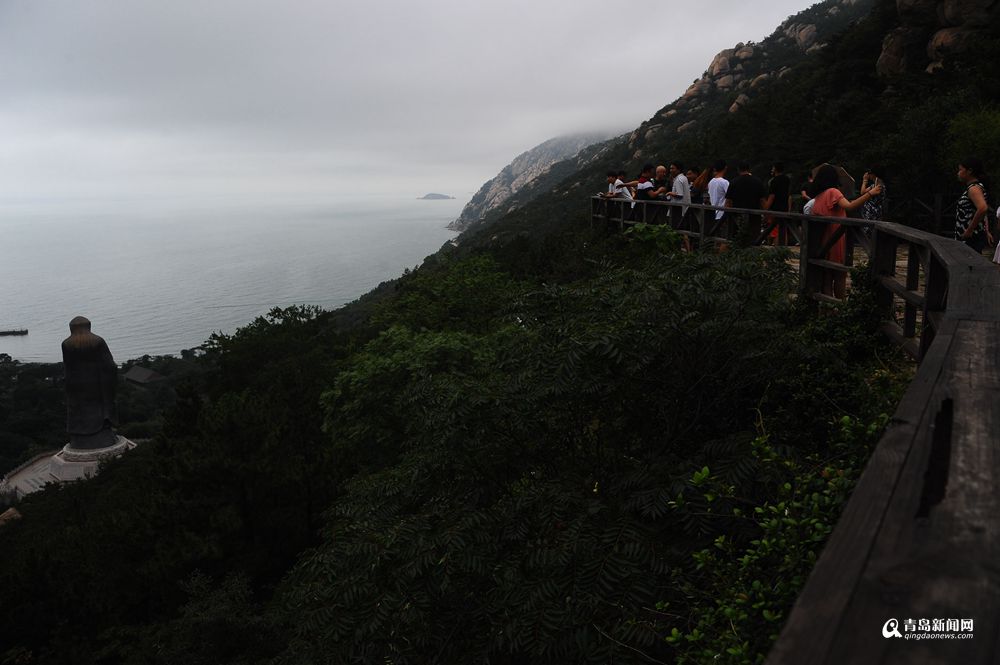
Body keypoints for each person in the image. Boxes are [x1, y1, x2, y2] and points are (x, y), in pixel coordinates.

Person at [811, 164, 882, 298]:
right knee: (839, 275)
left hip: (823, 241)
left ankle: (828, 309)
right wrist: (869, 194)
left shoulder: (818, 197)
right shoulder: (833, 192)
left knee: (827, 278)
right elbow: (849, 206)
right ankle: (840, 308)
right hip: (836, 240)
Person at [62, 316, 118, 450]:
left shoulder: (66, 344)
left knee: (78, 410)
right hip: (97, 383)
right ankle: (102, 436)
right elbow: (110, 365)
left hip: (75, 385)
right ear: (88, 326)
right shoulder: (98, 341)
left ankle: (79, 438)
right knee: (100, 408)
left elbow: (67, 367)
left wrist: (67, 384)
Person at [954, 157, 993, 253]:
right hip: (971, 237)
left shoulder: (973, 189)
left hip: (970, 239)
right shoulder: (976, 187)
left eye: (960, 170)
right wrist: (986, 230)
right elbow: (983, 211)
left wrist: (969, 230)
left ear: (969, 171)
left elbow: (983, 208)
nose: (958, 173)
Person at [725, 162, 767, 247]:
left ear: (738, 170)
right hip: (754, 216)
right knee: (754, 239)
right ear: (749, 169)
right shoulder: (757, 181)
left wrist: (726, 215)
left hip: (737, 216)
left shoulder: (734, 182)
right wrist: (766, 214)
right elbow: (762, 200)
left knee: (736, 239)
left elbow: (728, 201)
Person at [765, 162, 792, 245]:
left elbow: (772, 196)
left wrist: (766, 208)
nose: (772, 170)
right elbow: (789, 195)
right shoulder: (787, 179)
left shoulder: (774, 181)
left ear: (775, 169)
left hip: (775, 208)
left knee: (775, 230)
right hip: (784, 207)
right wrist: (789, 208)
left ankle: (776, 251)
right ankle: (784, 250)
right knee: (783, 230)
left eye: (773, 168)